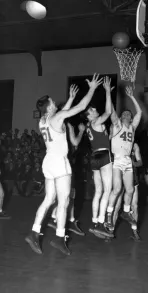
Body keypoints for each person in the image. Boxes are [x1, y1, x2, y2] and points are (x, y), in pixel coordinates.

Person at [25, 74, 102, 255]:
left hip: (49, 162)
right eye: (52, 102)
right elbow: (81, 107)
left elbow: (61, 114)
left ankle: (34, 231)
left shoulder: (42, 121)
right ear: (49, 107)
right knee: (64, 201)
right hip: (59, 163)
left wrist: (70, 99)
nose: (55, 103)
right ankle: (60, 238)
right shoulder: (57, 118)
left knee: (49, 199)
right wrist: (91, 88)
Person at [69, 76, 114, 238]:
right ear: (90, 115)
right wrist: (108, 91)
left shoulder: (88, 125)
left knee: (98, 191)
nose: (96, 110)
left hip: (94, 157)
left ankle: (95, 221)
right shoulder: (95, 122)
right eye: (93, 110)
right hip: (103, 154)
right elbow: (108, 112)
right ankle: (101, 223)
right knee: (107, 190)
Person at [105, 85, 142, 232]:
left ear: (131, 118)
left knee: (130, 189)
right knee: (117, 189)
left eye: (128, 114)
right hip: (117, 160)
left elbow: (139, 112)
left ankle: (126, 212)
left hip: (127, 160)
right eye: (124, 114)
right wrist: (108, 92)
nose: (126, 115)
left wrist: (132, 97)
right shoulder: (117, 125)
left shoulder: (132, 128)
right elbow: (111, 111)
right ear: (121, 118)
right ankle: (109, 215)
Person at [47, 123, 86, 236]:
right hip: (65, 163)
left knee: (61, 194)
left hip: (54, 161)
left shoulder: (53, 124)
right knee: (69, 195)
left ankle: (59, 218)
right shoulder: (68, 125)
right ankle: (62, 220)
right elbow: (75, 142)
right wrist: (81, 131)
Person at [112, 142, 143, 241]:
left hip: (132, 177)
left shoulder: (135, 145)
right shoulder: (118, 142)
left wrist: (132, 162)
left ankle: (135, 232)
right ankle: (110, 231)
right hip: (120, 176)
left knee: (135, 206)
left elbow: (140, 162)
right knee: (116, 206)